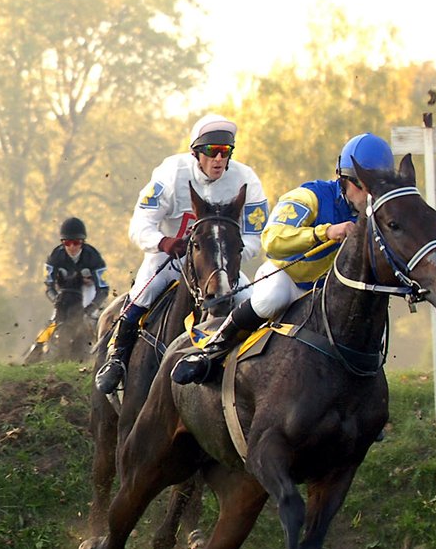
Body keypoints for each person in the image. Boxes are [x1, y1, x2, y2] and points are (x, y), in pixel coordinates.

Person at [170, 132, 396, 385]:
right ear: (344, 179)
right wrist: (326, 232)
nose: (369, 196)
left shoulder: (376, 213)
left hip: (329, 293)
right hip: (288, 280)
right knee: (269, 300)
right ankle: (210, 351)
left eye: (376, 187)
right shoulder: (309, 196)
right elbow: (272, 240)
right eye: (363, 186)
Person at [94, 113, 269, 394]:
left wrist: (227, 256)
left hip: (219, 265)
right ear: (195, 152)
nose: (219, 160)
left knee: (257, 303)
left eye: (225, 153)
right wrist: (163, 242)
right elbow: (139, 225)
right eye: (212, 152)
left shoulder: (246, 178)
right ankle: (117, 359)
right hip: (171, 259)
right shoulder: (171, 173)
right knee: (144, 291)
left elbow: (254, 237)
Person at [44, 216, 109, 321]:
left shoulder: (94, 257)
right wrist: (57, 301)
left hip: (88, 290)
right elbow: (49, 287)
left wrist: (90, 309)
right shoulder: (54, 256)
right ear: (62, 243)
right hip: (65, 292)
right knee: (53, 322)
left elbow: (103, 289)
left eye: (76, 242)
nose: (72, 247)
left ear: (83, 242)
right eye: (67, 243)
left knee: (89, 320)